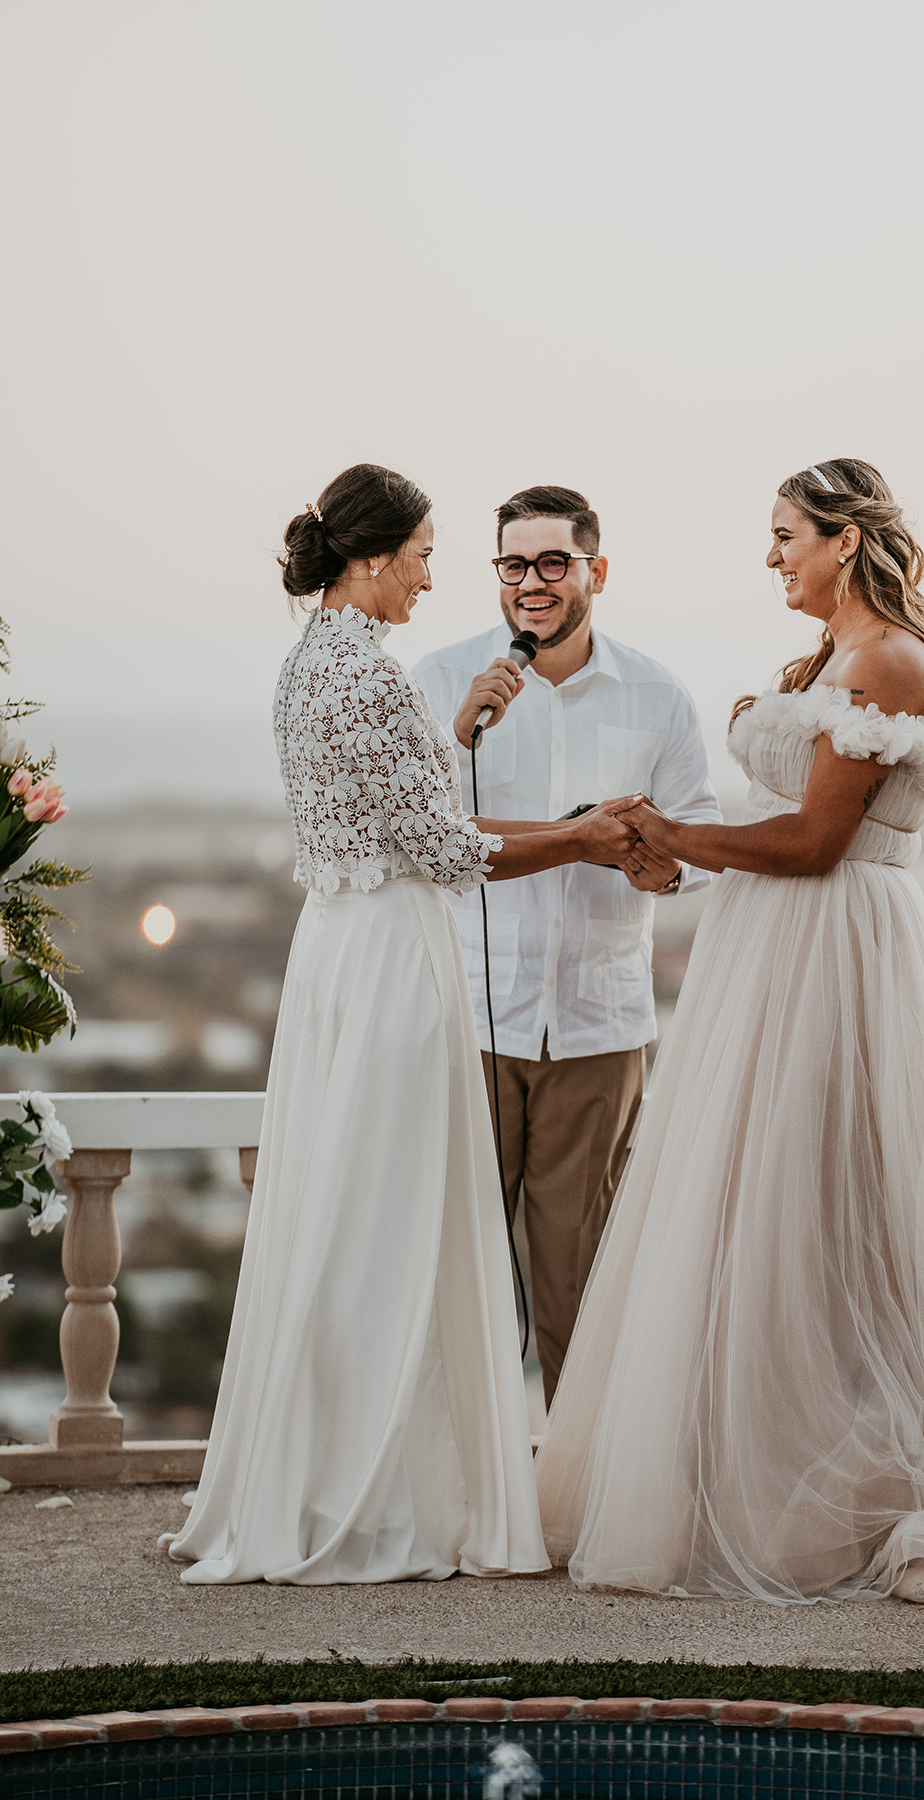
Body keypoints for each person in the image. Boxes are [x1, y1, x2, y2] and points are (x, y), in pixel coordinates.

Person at [535, 457, 924, 1609]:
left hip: (841, 953)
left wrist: (677, 831)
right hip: (775, 954)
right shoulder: (831, 659)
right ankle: (769, 1466)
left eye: (785, 536)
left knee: (840, 1203)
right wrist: (674, 855)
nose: (772, 557)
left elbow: (817, 844)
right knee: (763, 1212)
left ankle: (861, 1478)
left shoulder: (890, 663)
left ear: (844, 539)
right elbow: (779, 831)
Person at [162, 463, 637, 1585]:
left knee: (352, 1211)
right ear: (372, 558)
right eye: (423, 556)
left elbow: (398, 804)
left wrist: (454, 727)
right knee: (396, 1216)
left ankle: (335, 1472)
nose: (433, 577)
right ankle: (388, 1497)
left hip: (343, 949)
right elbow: (445, 849)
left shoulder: (310, 662)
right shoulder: (366, 676)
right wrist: (581, 836)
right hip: (387, 961)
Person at [414, 485, 720, 1409]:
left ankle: (576, 1494)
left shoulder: (658, 693)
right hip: (466, 1016)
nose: (532, 583)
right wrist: (458, 728)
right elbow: (420, 837)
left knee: (578, 1281)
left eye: (554, 563)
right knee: (455, 1275)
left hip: (599, 1024)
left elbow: (700, 838)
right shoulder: (439, 680)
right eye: (515, 564)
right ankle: (463, 1492)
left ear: (596, 571)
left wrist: (655, 867)